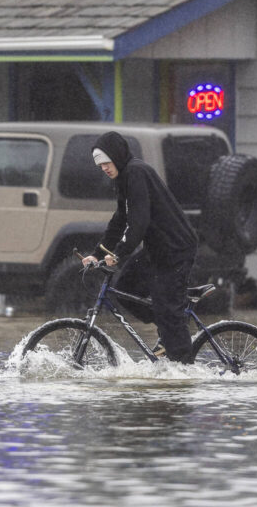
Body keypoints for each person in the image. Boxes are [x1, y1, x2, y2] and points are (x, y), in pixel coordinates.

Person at [81, 131, 198, 363]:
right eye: (99, 164)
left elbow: (139, 222)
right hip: (157, 249)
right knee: (126, 288)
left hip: (176, 248)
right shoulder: (123, 178)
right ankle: (170, 330)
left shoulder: (136, 172)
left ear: (117, 156)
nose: (103, 168)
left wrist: (119, 254)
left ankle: (184, 370)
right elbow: (119, 221)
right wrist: (97, 254)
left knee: (168, 310)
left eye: (106, 162)